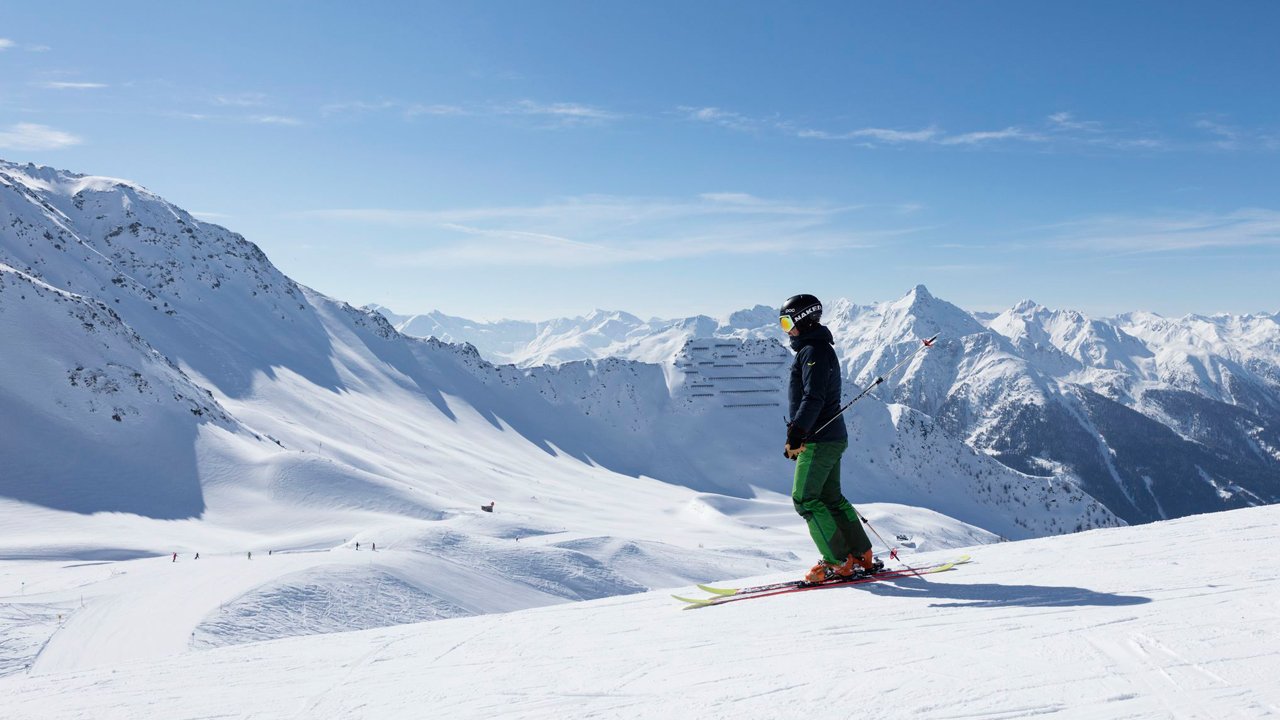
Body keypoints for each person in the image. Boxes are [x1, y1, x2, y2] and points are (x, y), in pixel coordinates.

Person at [780, 293, 880, 583]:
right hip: (833, 436)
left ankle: (837, 562)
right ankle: (861, 554)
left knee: (805, 500)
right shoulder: (820, 349)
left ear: (802, 319)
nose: (786, 329)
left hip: (819, 439)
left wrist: (797, 433)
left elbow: (814, 397)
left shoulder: (812, 351)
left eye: (787, 322)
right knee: (830, 498)